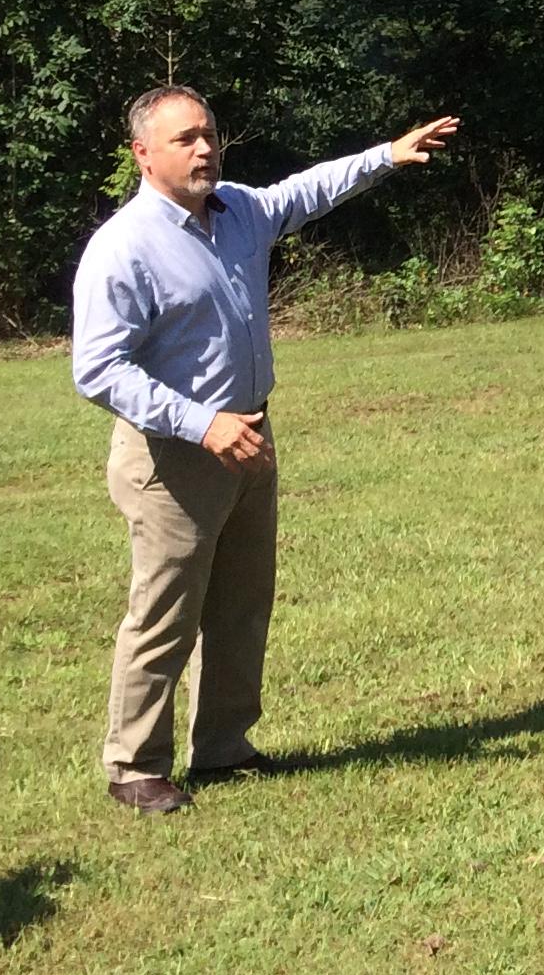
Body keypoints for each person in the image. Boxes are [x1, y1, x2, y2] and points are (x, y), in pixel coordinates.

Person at [71, 86, 459, 815]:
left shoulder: (239, 211)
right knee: (164, 614)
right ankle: (135, 766)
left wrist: (386, 155)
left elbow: (307, 192)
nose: (204, 149)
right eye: (185, 139)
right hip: (174, 456)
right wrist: (201, 424)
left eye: (209, 134)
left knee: (243, 605)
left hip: (250, 439)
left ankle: (223, 748)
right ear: (143, 154)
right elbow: (99, 370)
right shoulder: (124, 247)